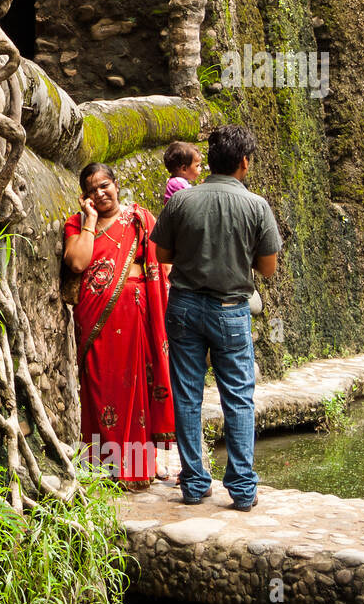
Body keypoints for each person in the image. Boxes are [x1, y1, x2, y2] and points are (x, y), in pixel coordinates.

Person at [150, 126, 282, 512]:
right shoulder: (257, 206)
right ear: (243, 162)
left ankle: (194, 484)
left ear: (211, 160)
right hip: (230, 310)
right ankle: (242, 490)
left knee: (188, 395)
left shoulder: (182, 201)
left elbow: (161, 255)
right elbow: (268, 268)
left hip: (185, 307)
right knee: (238, 398)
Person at [63, 163, 176, 488]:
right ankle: (102, 470)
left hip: (136, 318)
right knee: (99, 388)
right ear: (85, 196)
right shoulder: (78, 223)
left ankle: (136, 470)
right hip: (95, 319)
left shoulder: (139, 220)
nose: (100, 193)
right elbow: (77, 262)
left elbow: (161, 266)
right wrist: (91, 221)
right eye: (92, 190)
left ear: (115, 184)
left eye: (105, 186)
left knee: (135, 392)